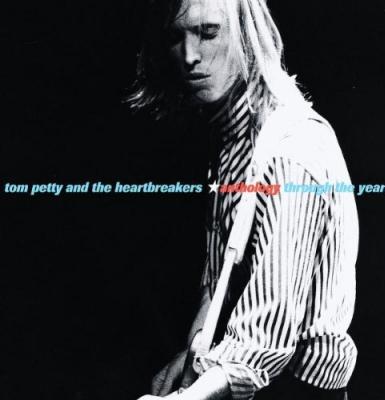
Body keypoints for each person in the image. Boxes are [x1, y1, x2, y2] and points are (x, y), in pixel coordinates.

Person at [130, 0, 359, 399]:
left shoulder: (292, 150)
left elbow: (266, 339)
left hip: (292, 390)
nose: (189, 55)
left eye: (208, 32)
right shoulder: (234, 140)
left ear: (248, 34)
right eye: (175, 37)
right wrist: (195, 357)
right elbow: (222, 274)